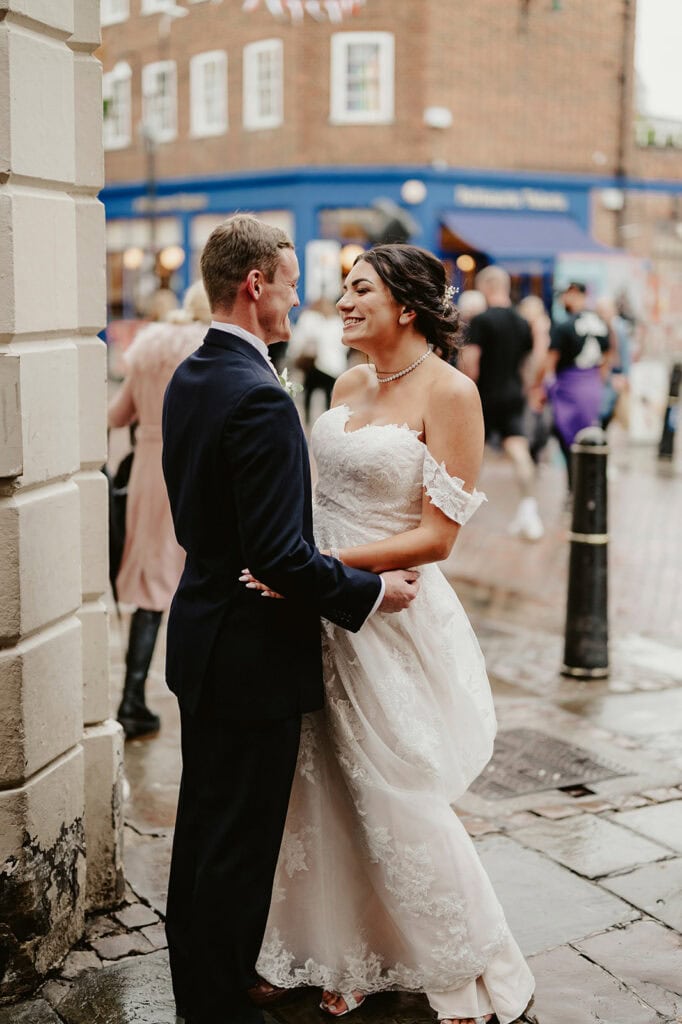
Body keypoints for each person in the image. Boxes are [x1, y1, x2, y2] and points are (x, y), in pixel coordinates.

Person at [249, 245, 535, 1024]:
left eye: (359, 290)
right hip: (320, 608)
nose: (341, 302)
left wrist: (318, 565)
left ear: (406, 305)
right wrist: (305, 572)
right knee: (325, 783)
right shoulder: (345, 383)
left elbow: (439, 539)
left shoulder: (453, 394)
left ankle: (462, 961)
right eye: (342, 290)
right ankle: (345, 950)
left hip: (389, 613)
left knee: (394, 787)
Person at [161, 215, 420, 1024]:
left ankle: (220, 971)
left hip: (201, 633)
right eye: (291, 279)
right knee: (236, 842)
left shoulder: (190, 377)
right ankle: (212, 1000)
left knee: (202, 824)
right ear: (256, 286)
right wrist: (371, 593)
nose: (301, 296)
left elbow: (198, 523)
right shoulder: (259, 399)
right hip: (250, 655)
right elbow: (277, 555)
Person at [107, 281, 211, 739]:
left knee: (151, 584)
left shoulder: (148, 351)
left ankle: (131, 698)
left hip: (151, 472)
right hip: (197, 467)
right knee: (206, 576)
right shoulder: (210, 350)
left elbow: (115, 415)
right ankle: (205, 694)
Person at [463, 266, 544, 541]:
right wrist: (526, 389)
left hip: (483, 395)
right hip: (512, 394)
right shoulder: (522, 323)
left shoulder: (481, 321)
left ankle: (460, 511)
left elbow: (470, 364)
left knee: (473, 454)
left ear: (486, 287)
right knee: (518, 450)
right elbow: (529, 364)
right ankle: (529, 509)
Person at [531, 281, 610, 488]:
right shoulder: (601, 324)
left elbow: (548, 363)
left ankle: (574, 489)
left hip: (569, 389)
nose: (563, 300)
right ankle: (585, 487)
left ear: (574, 294)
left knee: (568, 440)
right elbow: (607, 358)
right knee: (588, 440)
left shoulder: (564, 326)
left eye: (565, 295)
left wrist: (538, 387)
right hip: (592, 387)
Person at [288, 296, 348, 425]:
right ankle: (322, 423)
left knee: (313, 395)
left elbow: (300, 340)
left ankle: (312, 422)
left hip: (321, 365)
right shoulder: (335, 323)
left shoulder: (313, 319)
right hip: (328, 366)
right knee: (325, 396)